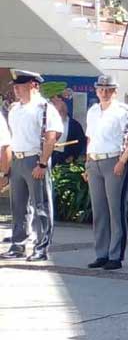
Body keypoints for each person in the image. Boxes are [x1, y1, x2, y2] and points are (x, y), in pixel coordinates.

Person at [1, 70, 63, 262]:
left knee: (41, 205)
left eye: (20, 86)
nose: (16, 90)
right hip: (18, 160)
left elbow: (52, 136)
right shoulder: (14, 109)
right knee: (18, 207)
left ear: (33, 85)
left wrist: (43, 163)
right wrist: (7, 168)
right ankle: (18, 244)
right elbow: (11, 139)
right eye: (15, 87)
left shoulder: (44, 108)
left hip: (35, 159)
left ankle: (41, 246)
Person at [83, 75, 128, 271]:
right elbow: (90, 138)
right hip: (95, 161)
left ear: (115, 91)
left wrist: (123, 161)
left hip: (114, 160)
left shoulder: (124, 111)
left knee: (115, 210)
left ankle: (115, 255)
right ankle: (101, 253)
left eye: (108, 89)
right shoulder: (93, 111)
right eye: (101, 89)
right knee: (99, 211)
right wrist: (87, 163)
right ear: (96, 91)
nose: (104, 93)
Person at [48, 90, 85, 166]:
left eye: (62, 110)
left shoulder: (74, 125)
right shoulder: (46, 123)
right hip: (48, 157)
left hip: (65, 160)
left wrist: (73, 156)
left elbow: (80, 143)